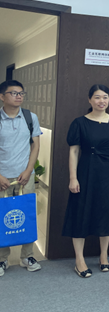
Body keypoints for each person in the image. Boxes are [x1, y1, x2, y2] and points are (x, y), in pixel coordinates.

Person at [62, 84, 109, 278]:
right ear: (89, 100)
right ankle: (79, 260)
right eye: (97, 97)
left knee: (105, 213)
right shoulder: (79, 123)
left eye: (105, 97)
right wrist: (73, 177)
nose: (101, 101)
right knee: (80, 213)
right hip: (86, 172)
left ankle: (103, 255)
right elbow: (74, 152)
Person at [0, 80, 42, 276]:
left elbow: (35, 145)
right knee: (2, 217)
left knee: (27, 214)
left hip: (25, 176)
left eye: (21, 93)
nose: (19, 96)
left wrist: (29, 170)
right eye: (14, 93)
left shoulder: (30, 117)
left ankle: (27, 256)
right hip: (2, 177)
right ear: (2, 96)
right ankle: (2, 258)